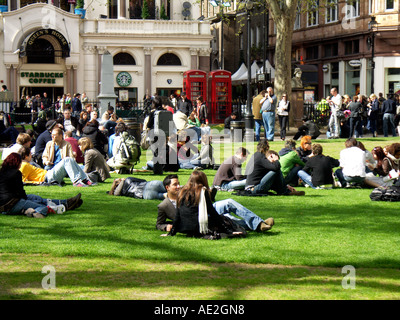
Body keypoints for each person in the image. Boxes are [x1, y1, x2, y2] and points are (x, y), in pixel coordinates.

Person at [157, 174, 274, 233]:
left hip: (205, 209)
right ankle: (259, 224)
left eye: (178, 183)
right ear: (167, 187)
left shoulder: (184, 191)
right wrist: (166, 227)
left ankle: (258, 222)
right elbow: (159, 224)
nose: (178, 186)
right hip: (200, 217)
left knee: (229, 202)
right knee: (227, 218)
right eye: (175, 185)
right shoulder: (164, 206)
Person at [164, 171, 245, 239]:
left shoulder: (181, 192)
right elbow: (212, 213)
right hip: (198, 227)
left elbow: (178, 215)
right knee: (226, 219)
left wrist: (171, 233)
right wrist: (228, 231)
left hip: (184, 227)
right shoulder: (202, 192)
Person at [0, 153, 83, 218]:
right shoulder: (16, 173)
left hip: (4, 205)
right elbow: (20, 192)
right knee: (42, 207)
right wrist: (30, 202)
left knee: (36, 198)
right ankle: (64, 206)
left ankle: (65, 202)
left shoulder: (2, 172)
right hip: (11, 205)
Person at [18, 146, 94, 187]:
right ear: (26, 156)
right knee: (67, 160)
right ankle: (77, 181)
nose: (31, 156)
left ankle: (84, 179)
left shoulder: (26, 164)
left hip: (48, 175)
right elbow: (22, 181)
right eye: (30, 154)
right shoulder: (23, 165)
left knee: (70, 159)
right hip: (47, 178)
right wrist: (39, 182)